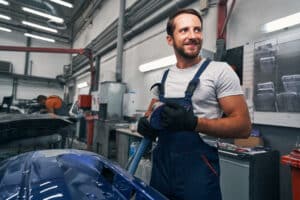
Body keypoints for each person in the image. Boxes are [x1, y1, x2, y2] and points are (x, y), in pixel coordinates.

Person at [137, 8, 251, 200]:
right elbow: (152, 114)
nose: (193, 36)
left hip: (198, 170)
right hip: (162, 169)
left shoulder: (219, 71)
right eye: (184, 30)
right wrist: (146, 124)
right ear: (170, 39)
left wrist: (195, 123)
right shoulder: (163, 76)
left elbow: (243, 126)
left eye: (197, 30)